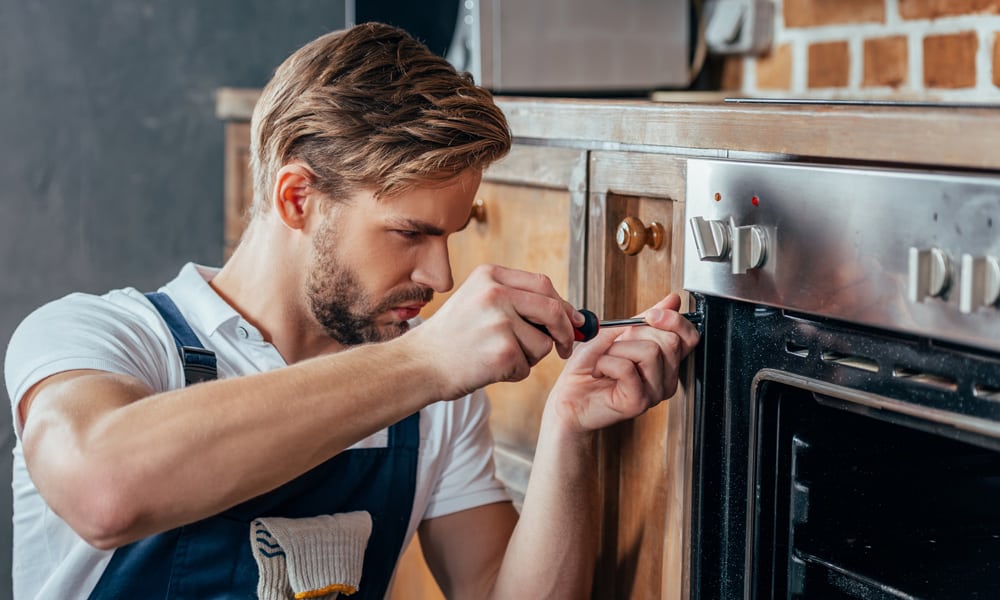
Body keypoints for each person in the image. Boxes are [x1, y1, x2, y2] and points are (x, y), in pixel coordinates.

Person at [4, 22, 699, 600]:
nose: (440, 276)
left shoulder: (435, 399)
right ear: (297, 198)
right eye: (410, 233)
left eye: (449, 236)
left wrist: (568, 428)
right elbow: (103, 491)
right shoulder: (101, 337)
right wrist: (426, 361)